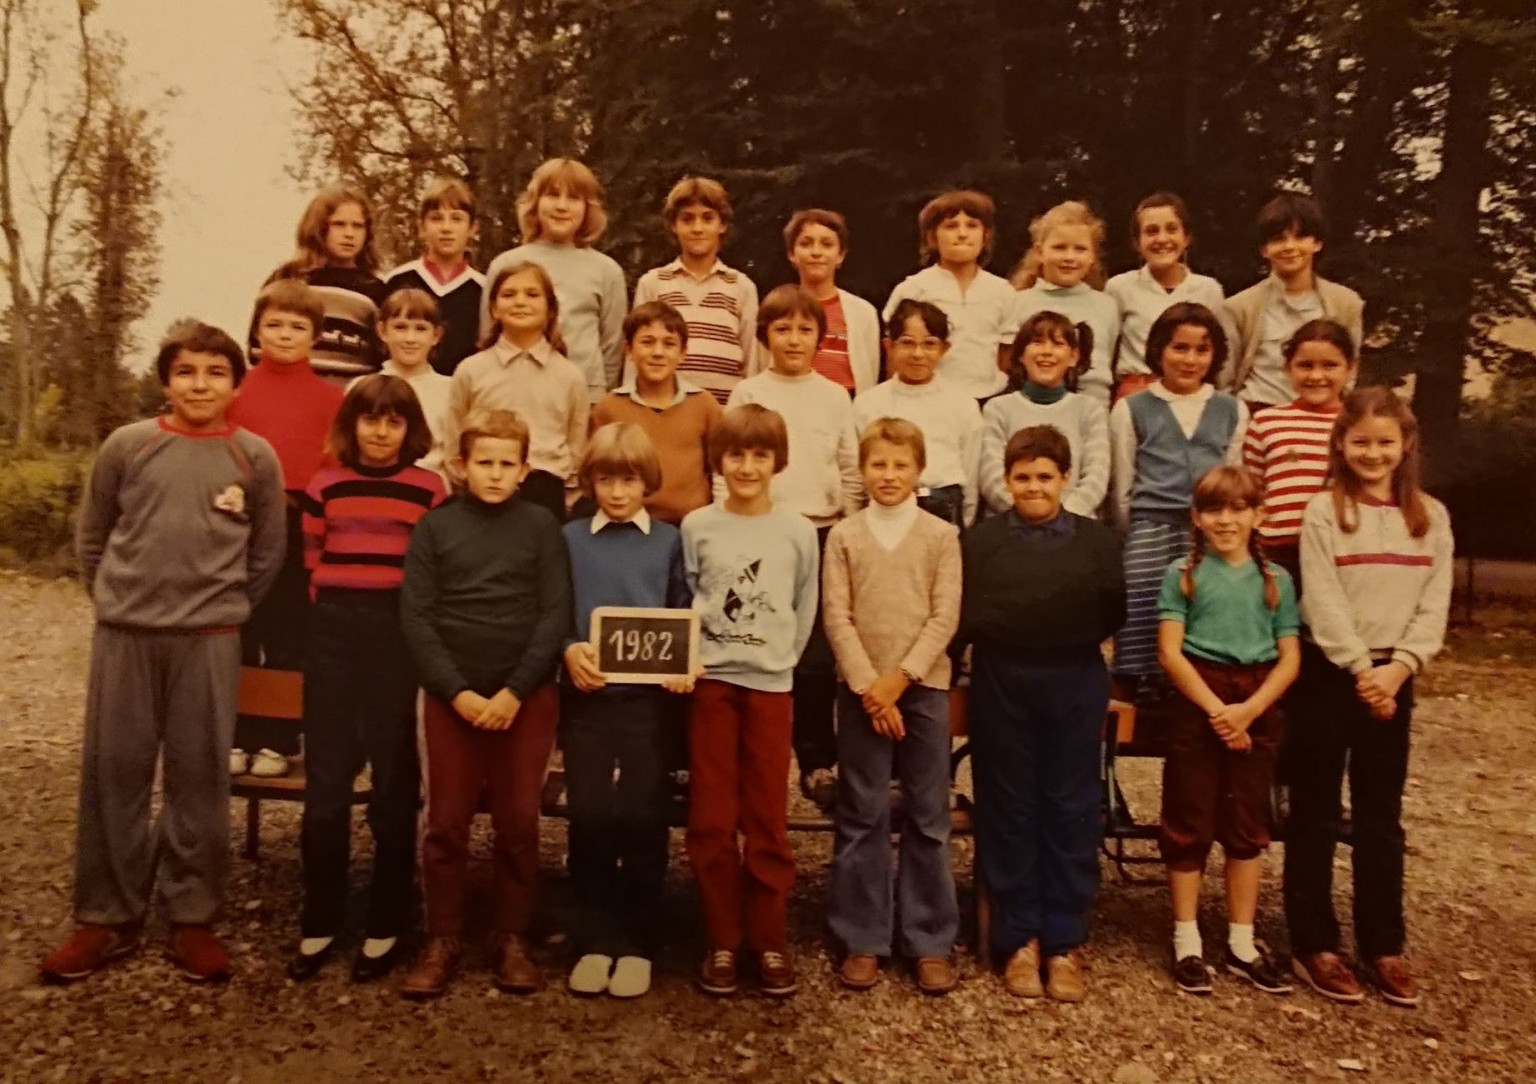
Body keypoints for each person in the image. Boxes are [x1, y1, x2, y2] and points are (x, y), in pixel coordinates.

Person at [40, 322, 286, 984]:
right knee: (114, 770)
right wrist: (118, 603)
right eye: (186, 372)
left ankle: (191, 916)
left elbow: (266, 555)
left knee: (199, 775)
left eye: (214, 372)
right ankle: (107, 915)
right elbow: (93, 536)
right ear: (165, 380)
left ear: (236, 383)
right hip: (127, 634)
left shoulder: (253, 457)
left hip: (208, 639)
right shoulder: (130, 446)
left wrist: (221, 608)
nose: (200, 384)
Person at [1285, 388, 1453, 1009]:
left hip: (1395, 679)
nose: (1373, 453)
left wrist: (1400, 667)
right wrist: (1361, 668)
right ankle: (1314, 943)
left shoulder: (1429, 516)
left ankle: (1383, 944)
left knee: (1380, 816)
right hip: (1333, 673)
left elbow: (1433, 604)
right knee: (1316, 810)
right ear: (1341, 444)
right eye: (1361, 442)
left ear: (1405, 444)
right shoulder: (1324, 512)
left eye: (1385, 442)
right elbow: (1323, 599)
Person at [399, 409, 570, 999]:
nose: (495, 474)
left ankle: (511, 935)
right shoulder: (435, 528)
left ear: (525, 469)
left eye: (507, 464)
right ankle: (442, 937)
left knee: (519, 821)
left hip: (524, 698)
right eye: (484, 463)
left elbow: (554, 614)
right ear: (460, 466)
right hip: (454, 697)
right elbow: (418, 617)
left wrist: (513, 691)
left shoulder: (542, 527)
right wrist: (459, 692)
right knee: (445, 822)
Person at [959, 425, 1125, 1001]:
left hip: (1074, 678)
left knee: (1071, 807)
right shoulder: (980, 543)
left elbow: (1112, 609)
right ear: (1005, 481)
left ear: (1066, 480)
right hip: (1002, 679)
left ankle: (1064, 939)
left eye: (1045, 477)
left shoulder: (1098, 543)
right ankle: (1019, 936)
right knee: (1009, 807)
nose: (1033, 487)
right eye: (1022, 477)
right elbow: (968, 611)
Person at [288, 375, 445, 984]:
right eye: (370, 419)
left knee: (394, 786)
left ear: (410, 430)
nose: (381, 431)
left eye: (394, 421)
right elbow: (311, 564)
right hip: (333, 635)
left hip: (396, 636)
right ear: (351, 425)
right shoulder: (324, 485)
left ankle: (386, 921)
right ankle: (320, 917)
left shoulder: (428, 489)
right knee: (325, 788)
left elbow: (429, 573)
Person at [683, 404, 819, 999]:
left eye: (759, 455)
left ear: (777, 462)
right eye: (735, 454)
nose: (746, 466)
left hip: (770, 687)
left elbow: (804, 603)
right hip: (711, 685)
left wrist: (781, 660)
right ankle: (721, 938)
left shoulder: (795, 530)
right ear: (719, 460)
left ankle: (767, 938)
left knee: (766, 818)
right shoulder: (698, 526)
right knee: (711, 818)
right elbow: (690, 597)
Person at [823, 417, 962, 995]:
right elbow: (837, 615)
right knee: (863, 813)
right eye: (878, 464)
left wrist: (899, 681)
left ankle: (928, 939)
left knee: (929, 815)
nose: (888, 475)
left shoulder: (940, 536)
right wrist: (868, 686)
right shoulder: (845, 536)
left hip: (922, 691)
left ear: (918, 471)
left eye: (900, 465)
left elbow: (944, 616)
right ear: (863, 469)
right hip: (861, 693)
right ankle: (862, 936)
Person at [560, 423, 694, 999]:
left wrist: (684, 661)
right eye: (606, 479)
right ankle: (594, 937)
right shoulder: (569, 539)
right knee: (589, 814)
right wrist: (569, 648)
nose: (617, 492)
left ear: (648, 482)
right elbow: (555, 609)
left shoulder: (667, 541)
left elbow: (684, 609)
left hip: (648, 705)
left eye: (629, 479)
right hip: (589, 700)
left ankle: (637, 941)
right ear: (590, 481)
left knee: (642, 815)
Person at [1156, 464, 1300, 996]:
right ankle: (1187, 938)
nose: (1226, 519)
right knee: (1189, 819)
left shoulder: (1276, 581)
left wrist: (1248, 712)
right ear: (1197, 517)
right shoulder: (1183, 574)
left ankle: (1242, 941)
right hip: (1200, 695)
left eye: (1239, 508)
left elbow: (1289, 659)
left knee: (1246, 824)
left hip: (1257, 699)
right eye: (1214, 509)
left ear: (1259, 515)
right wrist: (1219, 711)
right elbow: (1170, 652)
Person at [724, 284, 862, 810]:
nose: (794, 339)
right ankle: (750, 761)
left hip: (821, 529)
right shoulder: (748, 394)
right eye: (783, 329)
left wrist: (846, 526)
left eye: (805, 330)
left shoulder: (834, 395)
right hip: (761, 530)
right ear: (765, 336)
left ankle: (817, 762)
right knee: (755, 642)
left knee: (814, 658)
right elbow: (728, 463)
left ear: (819, 339)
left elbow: (849, 467)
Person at [227, 279, 346, 777]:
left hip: (298, 520)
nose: (284, 334)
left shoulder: (330, 397)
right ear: (256, 331)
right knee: (238, 626)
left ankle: (277, 737)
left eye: (297, 326)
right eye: (274, 324)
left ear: (314, 337)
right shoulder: (235, 390)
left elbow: (335, 465)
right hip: (237, 519)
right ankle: (236, 733)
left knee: (287, 629)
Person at [1109, 302, 1249, 702]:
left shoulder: (1230, 409)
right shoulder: (1132, 407)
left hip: (1210, 531)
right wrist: (1131, 533)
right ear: (1158, 350)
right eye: (1179, 348)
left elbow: (1233, 478)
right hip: (1150, 527)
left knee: (1202, 606)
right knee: (1143, 604)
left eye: (1201, 350)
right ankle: (1140, 687)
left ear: (1215, 355)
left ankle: (1198, 690)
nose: (1189, 360)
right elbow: (1122, 483)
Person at [447, 261, 589, 521]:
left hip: (544, 495)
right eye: (509, 295)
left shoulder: (570, 376)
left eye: (532, 294)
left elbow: (576, 448)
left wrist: (567, 499)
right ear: (493, 308)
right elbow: (454, 441)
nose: (520, 302)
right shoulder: (471, 370)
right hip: (481, 493)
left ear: (550, 309)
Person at [482, 158, 628, 404]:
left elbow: (612, 347)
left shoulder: (606, 271)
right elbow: (488, 334)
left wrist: (600, 398)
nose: (561, 206)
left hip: (583, 396)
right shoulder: (506, 264)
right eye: (552, 195)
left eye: (573, 198)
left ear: (588, 208)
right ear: (535, 203)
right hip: (513, 392)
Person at [1241, 318, 1358, 589]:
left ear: (1351, 369)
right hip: (1275, 550)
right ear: (1287, 369)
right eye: (1305, 365)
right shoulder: (1266, 421)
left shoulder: (1358, 425)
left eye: (1330, 365)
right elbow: (1252, 490)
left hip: (1340, 548)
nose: (1316, 376)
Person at [1221, 193, 1364, 411]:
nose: (1289, 247)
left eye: (1300, 237)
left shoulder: (1345, 303)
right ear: (1264, 249)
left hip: (1323, 416)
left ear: (1317, 243)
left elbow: (1348, 375)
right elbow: (1225, 380)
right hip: (1258, 412)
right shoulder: (1239, 307)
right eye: (1279, 239)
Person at [853, 299, 983, 529]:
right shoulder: (868, 404)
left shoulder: (963, 404)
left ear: (944, 349)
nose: (918, 353)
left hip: (944, 509)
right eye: (907, 343)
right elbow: (858, 471)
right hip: (882, 510)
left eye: (929, 344)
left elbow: (971, 475)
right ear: (889, 346)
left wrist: (965, 525)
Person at [590, 301, 722, 526]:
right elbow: (596, 474)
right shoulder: (609, 409)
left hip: (691, 526)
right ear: (629, 350)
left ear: (683, 353)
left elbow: (720, 471)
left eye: (669, 344)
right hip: (627, 524)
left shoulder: (705, 405)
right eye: (647, 343)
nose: (658, 353)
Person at [632, 176, 760, 405]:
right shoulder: (653, 283)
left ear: (722, 225)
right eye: (687, 219)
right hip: (664, 412)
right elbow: (636, 354)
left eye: (707, 218)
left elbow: (753, 361)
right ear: (674, 225)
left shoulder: (741, 287)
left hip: (725, 416)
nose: (697, 228)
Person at [882, 189, 1017, 404]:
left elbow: (1005, 355)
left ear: (986, 235)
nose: (962, 234)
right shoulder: (913, 289)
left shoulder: (1002, 291)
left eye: (972, 225)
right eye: (951, 226)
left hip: (986, 398)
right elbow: (895, 353)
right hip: (927, 398)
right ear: (932, 236)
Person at [249, 182, 390, 383]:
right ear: (319, 228)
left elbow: (383, 354)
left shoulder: (374, 289)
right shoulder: (288, 277)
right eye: (339, 224)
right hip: (291, 392)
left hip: (352, 400)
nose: (349, 234)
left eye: (357, 226)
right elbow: (258, 344)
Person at [980, 310, 1109, 518]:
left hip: (1074, 525)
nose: (1047, 352)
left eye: (1058, 344)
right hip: (1011, 524)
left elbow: (1096, 476)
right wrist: (1030, 513)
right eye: (1037, 342)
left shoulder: (1090, 409)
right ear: (1021, 354)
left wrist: (1059, 518)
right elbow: (992, 477)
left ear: (1073, 357)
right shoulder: (997, 409)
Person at [1106, 191, 1232, 402]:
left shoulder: (1208, 289)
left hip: (1193, 393)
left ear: (1186, 238)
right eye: (1151, 231)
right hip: (1138, 393)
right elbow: (1107, 353)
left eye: (1172, 229)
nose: (1162, 239)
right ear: (1137, 243)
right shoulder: (1119, 288)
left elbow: (1220, 355)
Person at [1009, 200, 1120, 406]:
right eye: (1060, 248)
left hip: (1093, 412)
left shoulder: (1107, 306)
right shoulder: (1018, 302)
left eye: (1080, 249)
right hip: (1035, 407)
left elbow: (1109, 364)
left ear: (1092, 256)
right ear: (1040, 252)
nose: (1069, 257)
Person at [385, 176, 485, 376]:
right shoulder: (397, 281)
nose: (446, 228)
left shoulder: (484, 289)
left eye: (456, 218)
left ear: (473, 228)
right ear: (421, 227)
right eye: (436, 218)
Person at [782, 208, 882, 396]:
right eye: (806, 244)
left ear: (841, 255)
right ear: (791, 254)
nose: (816, 252)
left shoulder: (863, 313)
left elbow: (870, 373)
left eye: (827, 245)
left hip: (846, 410)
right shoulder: (777, 308)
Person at [365, 288, 454, 477]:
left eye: (420, 329)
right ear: (382, 331)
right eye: (400, 327)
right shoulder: (363, 387)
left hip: (434, 489)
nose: (410, 339)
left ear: (436, 335)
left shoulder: (451, 390)